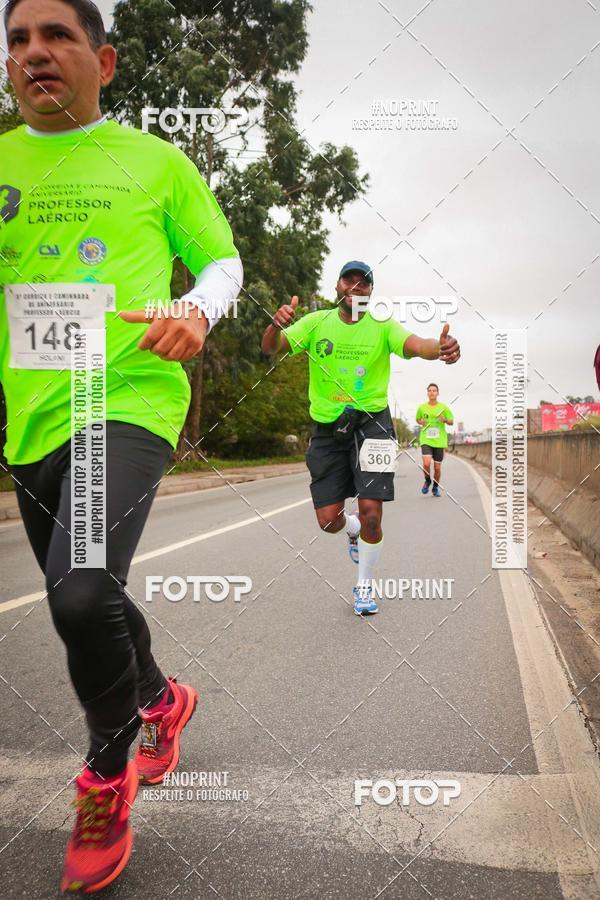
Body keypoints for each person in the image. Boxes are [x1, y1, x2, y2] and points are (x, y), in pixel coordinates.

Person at [1, 0, 242, 892]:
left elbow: (222, 261)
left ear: (103, 59)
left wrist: (196, 308)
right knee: (85, 590)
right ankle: (160, 697)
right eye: (18, 40)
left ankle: (106, 776)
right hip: (31, 419)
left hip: (128, 398)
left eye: (55, 36)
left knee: (80, 593)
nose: (35, 54)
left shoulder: (154, 160)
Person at [261, 261, 460, 616]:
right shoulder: (316, 322)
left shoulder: (383, 326)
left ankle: (364, 585)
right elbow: (270, 348)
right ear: (338, 286)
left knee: (372, 513)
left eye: (363, 284)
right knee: (328, 521)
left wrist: (439, 348)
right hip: (327, 427)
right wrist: (276, 325)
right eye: (349, 280)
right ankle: (350, 529)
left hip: (373, 425)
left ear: (371, 292)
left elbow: (416, 345)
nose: (356, 287)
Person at [416, 384, 454, 496]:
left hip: (439, 440)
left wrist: (445, 419)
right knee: (426, 463)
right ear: (427, 393)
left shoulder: (443, 407)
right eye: (430, 390)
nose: (432, 392)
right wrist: (421, 422)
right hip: (426, 439)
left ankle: (435, 487)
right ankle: (427, 481)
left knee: (437, 468)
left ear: (438, 393)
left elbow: (451, 422)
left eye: (434, 390)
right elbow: (418, 419)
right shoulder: (421, 408)